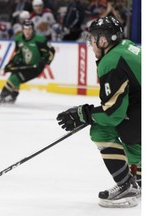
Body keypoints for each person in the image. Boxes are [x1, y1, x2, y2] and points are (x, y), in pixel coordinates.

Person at [56, 16, 141, 208]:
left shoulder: (110, 61)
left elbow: (113, 115)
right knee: (130, 128)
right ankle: (138, 175)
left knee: (101, 130)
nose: (91, 42)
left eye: (93, 38)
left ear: (104, 40)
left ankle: (127, 186)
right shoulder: (126, 46)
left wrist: (84, 115)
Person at [0, 19, 55, 105]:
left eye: (29, 29)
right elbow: (19, 53)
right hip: (24, 64)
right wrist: (11, 64)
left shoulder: (40, 40)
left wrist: (45, 61)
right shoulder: (19, 39)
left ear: (33, 30)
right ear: (22, 29)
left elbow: (51, 51)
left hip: (35, 68)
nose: (27, 31)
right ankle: (12, 96)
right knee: (13, 76)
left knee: (15, 78)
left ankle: (1, 97)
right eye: (25, 29)